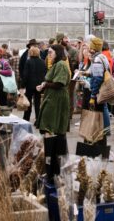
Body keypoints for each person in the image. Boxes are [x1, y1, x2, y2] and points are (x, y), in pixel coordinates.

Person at [36, 45, 71, 179]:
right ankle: (52, 168)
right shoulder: (57, 64)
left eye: (50, 52)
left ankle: (54, 169)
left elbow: (59, 84)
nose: (48, 54)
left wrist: (45, 85)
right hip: (53, 99)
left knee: (52, 128)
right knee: (51, 129)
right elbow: (54, 82)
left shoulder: (61, 64)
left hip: (57, 101)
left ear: (57, 52)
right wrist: (44, 85)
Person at [87, 36, 111, 139]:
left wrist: (93, 95)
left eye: (90, 47)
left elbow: (97, 78)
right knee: (104, 107)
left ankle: (104, 130)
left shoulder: (97, 59)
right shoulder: (102, 57)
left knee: (102, 108)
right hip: (103, 87)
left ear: (94, 48)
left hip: (99, 89)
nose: (89, 49)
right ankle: (106, 129)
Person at [21, 45, 47, 121]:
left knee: (28, 102)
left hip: (29, 85)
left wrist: (22, 85)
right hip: (39, 85)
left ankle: (26, 118)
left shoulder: (28, 61)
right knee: (37, 103)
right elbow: (45, 73)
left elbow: (25, 75)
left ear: (30, 52)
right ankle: (38, 119)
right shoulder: (42, 62)